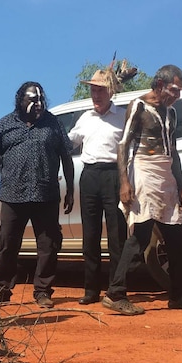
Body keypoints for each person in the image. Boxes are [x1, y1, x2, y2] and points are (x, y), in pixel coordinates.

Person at [109, 64, 182, 315]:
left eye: (180, 90)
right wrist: (125, 183)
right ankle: (116, 293)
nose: (177, 95)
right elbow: (122, 145)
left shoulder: (171, 112)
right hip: (143, 171)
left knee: (177, 239)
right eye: (174, 89)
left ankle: (179, 295)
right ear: (159, 85)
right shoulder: (138, 106)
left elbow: (174, 151)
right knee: (140, 235)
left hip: (166, 176)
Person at [0, 82, 75, 308]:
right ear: (20, 100)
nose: (38, 104)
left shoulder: (53, 123)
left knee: (49, 245)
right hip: (13, 195)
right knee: (6, 244)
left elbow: (66, 156)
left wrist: (70, 189)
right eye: (32, 99)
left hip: (46, 194)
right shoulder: (5, 124)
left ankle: (43, 291)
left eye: (41, 99)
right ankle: (2, 290)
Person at [68, 69, 128, 305]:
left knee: (117, 235)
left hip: (114, 174)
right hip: (90, 176)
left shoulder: (123, 116)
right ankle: (91, 290)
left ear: (110, 91)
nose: (96, 94)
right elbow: (70, 141)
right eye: (93, 89)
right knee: (90, 235)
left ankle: (116, 289)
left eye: (101, 89)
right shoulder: (85, 117)